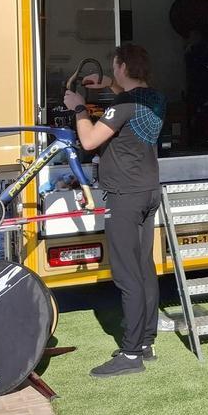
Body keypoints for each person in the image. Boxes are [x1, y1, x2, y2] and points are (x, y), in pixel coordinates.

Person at [63, 44, 166, 378]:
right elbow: (125, 92)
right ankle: (146, 341)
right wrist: (105, 81)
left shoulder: (122, 106)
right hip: (149, 192)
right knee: (144, 268)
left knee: (126, 276)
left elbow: (90, 141)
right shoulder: (154, 98)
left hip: (125, 197)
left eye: (114, 66)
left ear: (122, 65)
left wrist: (79, 108)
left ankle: (131, 353)